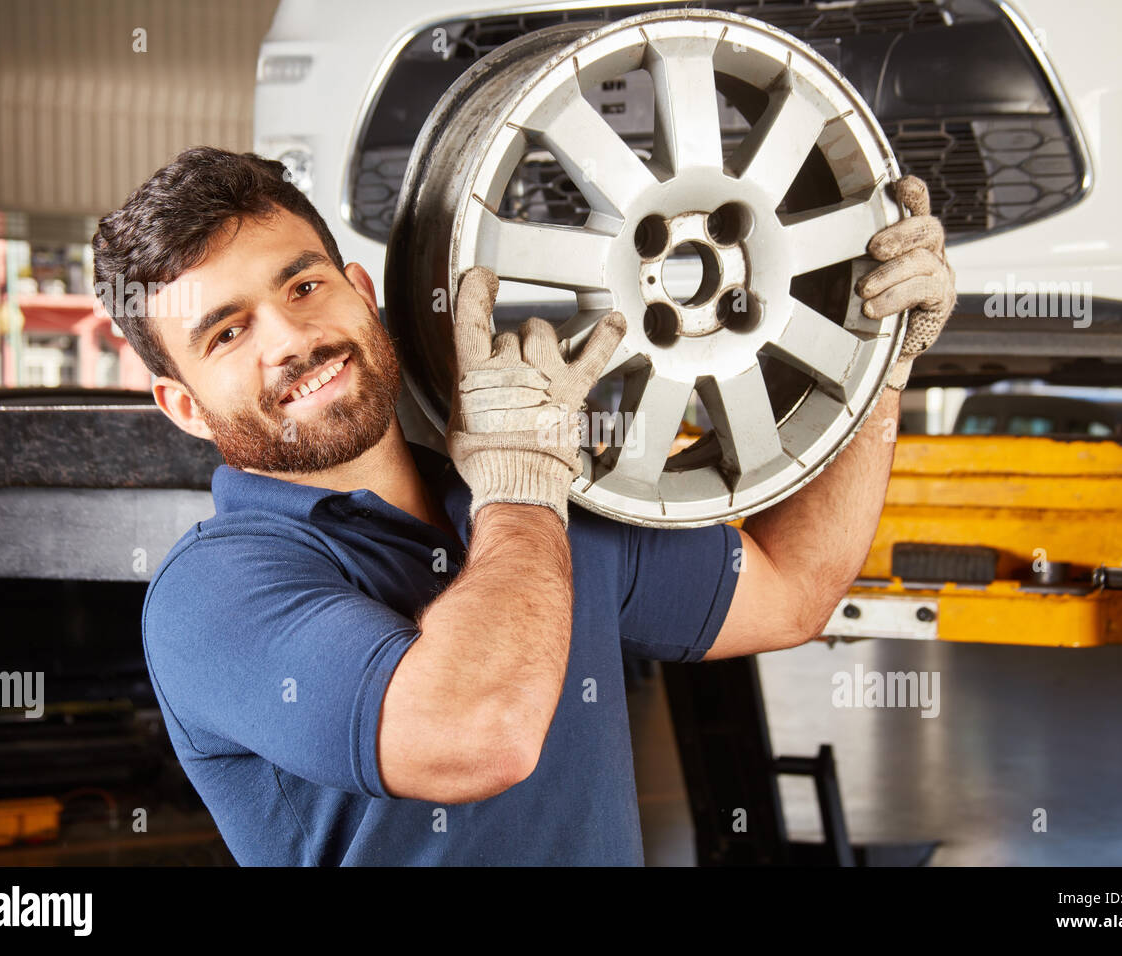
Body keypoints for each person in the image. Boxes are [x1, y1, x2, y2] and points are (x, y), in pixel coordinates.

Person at [92, 146, 956, 865]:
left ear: (360, 288)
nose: (290, 339)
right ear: (186, 407)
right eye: (228, 332)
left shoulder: (534, 498)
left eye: (303, 286)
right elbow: (479, 735)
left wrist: (878, 358)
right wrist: (519, 487)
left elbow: (794, 589)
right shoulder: (213, 596)